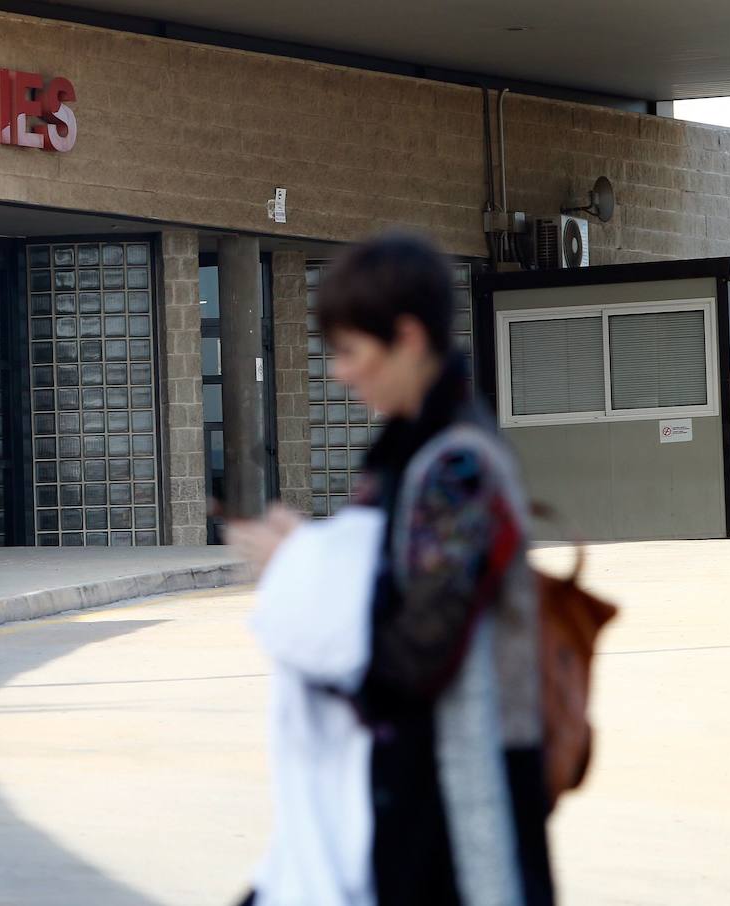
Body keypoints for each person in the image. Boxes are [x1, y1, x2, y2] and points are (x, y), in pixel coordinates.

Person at [232, 234, 552, 905]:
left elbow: (412, 655)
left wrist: (297, 569)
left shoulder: (455, 466)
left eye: (351, 351)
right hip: (412, 797)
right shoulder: (412, 457)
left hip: (461, 814)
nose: (339, 374)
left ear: (407, 338)